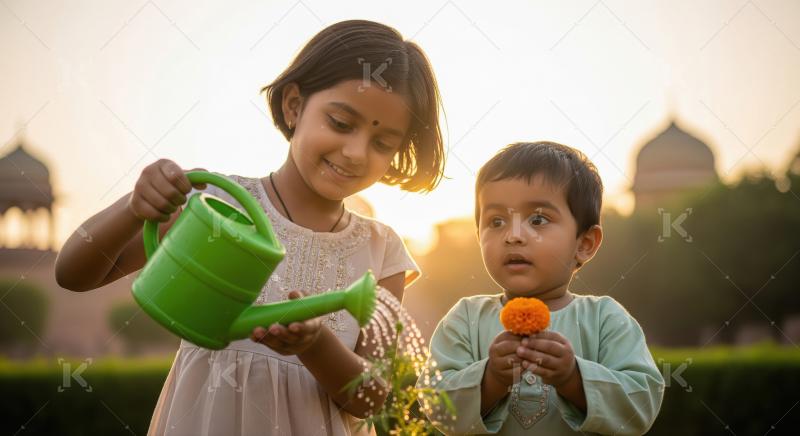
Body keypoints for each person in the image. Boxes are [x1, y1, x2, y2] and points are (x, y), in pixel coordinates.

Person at [55, 19, 446, 435]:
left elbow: (370, 398)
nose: (354, 152)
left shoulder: (381, 249)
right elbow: (73, 275)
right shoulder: (215, 207)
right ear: (294, 105)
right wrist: (134, 207)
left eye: (382, 143)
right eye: (340, 123)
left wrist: (316, 346)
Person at [421, 142, 663, 435]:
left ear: (584, 244)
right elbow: (433, 403)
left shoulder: (605, 319)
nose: (513, 235)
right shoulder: (465, 319)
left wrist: (574, 378)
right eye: (496, 221)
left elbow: (642, 404)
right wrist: (490, 380)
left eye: (538, 219)